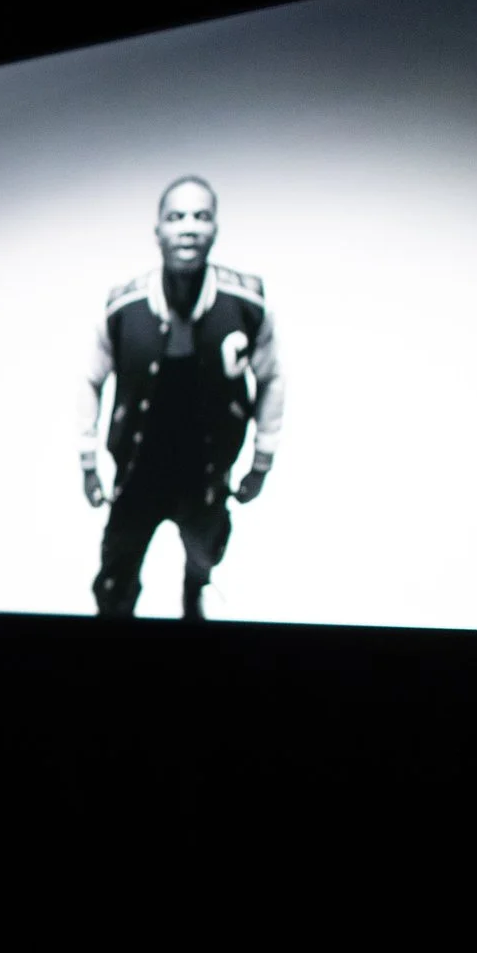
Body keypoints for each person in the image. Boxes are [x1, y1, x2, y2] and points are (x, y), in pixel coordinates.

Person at [79, 175, 286, 620]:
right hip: (139, 470)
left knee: (204, 553)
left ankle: (195, 597)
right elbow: (90, 380)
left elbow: (271, 378)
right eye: (176, 217)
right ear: (158, 231)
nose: (189, 228)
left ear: (215, 228)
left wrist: (262, 461)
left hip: (206, 471)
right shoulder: (124, 307)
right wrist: (88, 459)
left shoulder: (246, 303)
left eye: (200, 216)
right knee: (117, 571)